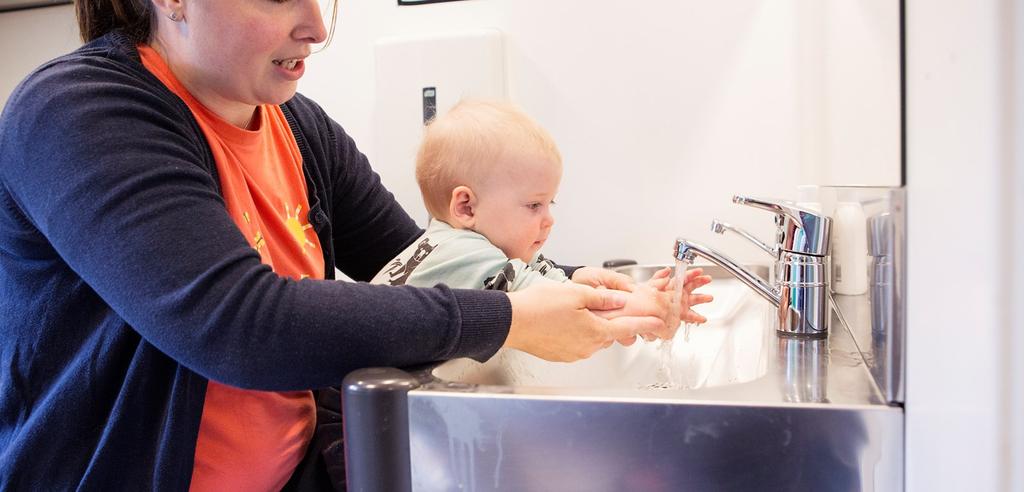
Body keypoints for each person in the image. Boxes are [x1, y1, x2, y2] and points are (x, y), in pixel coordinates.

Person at [0, 1, 678, 490]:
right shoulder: (78, 112)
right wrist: (511, 320)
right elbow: (241, 325)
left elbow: (423, 264)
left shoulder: (296, 126)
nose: (317, 28)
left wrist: (562, 286)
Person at [371, 99, 712, 335]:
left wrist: (636, 294)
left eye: (551, 203)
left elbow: (548, 281)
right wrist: (649, 305)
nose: (548, 219)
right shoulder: (464, 253)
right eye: (534, 206)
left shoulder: (466, 245)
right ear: (466, 208)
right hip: (345, 414)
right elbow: (560, 307)